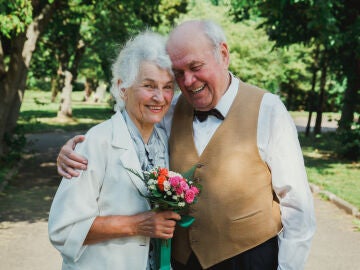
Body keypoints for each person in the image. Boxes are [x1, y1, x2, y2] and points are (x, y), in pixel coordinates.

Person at [56, 20, 316, 270]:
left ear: (223, 54)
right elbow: (128, 125)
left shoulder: (268, 110)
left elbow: (297, 205)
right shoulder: (169, 112)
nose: (189, 81)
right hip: (179, 263)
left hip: (249, 260)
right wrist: (75, 150)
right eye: (179, 73)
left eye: (196, 66)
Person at [48, 31, 181, 270]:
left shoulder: (165, 137)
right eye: (149, 85)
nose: (160, 97)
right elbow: (62, 229)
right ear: (122, 88)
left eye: (168, 87)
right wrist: (137, 225)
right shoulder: (97, 142)